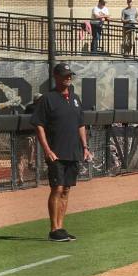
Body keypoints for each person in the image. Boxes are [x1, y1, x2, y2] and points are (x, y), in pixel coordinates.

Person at [29, 63, 87, 242]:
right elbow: (39, 125)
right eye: (65, 75)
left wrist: (85, 147)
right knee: (57, 188)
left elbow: (81, 124)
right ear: (56, 77)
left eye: (70, 75)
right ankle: (54, 229)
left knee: (67, 189)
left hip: (73, 150)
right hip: (56, 152)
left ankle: (61, 227)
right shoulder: (48, 98)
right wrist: (47, 149)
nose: (68, 77)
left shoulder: (75, 98)